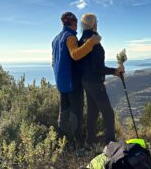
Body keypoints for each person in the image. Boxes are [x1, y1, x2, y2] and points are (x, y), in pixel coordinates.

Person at [52, 12, 101, 143]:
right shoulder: (70, 37)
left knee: (63, 114)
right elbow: (75, 54)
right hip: (72, 83)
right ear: (73, 23)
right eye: (76, 23)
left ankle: (63, 142)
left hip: (61, 83)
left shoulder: (56, 39)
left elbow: (54, 62)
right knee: (76, 115)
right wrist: (91, 42)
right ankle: (77, 145)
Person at [78, 13, 124, 144]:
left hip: (85, 81)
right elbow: (97, 68)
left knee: (92, 112)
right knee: (108, 114)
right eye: (96, 22)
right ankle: (111, 144)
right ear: (94, 24)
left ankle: (90, 141)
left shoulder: (81, 41)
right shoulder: (95, 44)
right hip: (94, 82)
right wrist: (115, 71)